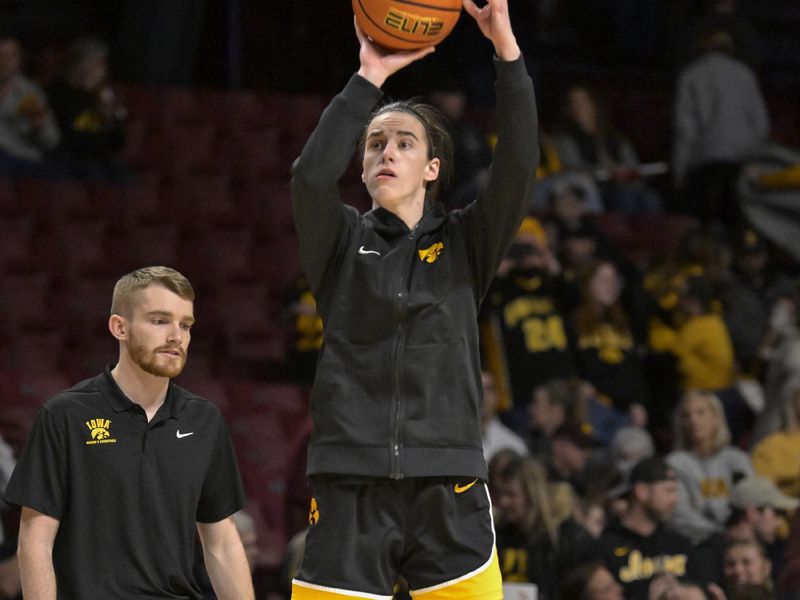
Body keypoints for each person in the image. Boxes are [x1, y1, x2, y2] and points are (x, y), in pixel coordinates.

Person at [289, 1, 538, 598]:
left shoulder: (466, 242)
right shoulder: (341, 242)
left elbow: (520, 163)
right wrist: (368, 77)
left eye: (403, 143)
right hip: (350, 481)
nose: (385, 153)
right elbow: (308, 178)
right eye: (374, 144)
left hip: (448, 481)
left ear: (432, 168)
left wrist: (505, 46)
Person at [3, 266, 254, 599]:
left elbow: (222, 543)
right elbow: (35, 541)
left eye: (186, 324)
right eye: (160, 321)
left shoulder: (204, 420)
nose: (176, 336)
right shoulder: (64, 415)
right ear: (119, 327)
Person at [671, 29, 770, 224]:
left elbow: (685, 128)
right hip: (742, 157)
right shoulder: (744, 73)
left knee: (697, 220)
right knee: (737, 220)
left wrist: (679, 170)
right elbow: (760, 123)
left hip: (705, 158)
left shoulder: (691, 75)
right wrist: (757, 159)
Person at [596, 457, 707, 599]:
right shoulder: (606, 547)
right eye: (668, 491)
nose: (675, 499)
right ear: (642, 492)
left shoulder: (679, 543)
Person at [666, 390, 753, 546]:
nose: (693, 420)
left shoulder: (737, 459)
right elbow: (679, 514)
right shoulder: (675, 463)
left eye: (700, 413)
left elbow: (751, 500)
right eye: (686, 415)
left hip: (740, 538)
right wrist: (718, 533)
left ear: (716, 418)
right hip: (696, 543)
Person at [45, 36, 130, 183]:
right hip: (68, 157)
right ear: (78, 63)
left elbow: (118, 143)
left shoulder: (101, 94)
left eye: (101, 64)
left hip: (99, 159)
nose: (99, 69)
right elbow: (67, 134)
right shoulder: (58, 91)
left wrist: (109, 121)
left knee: (126, 179)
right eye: (94, 63)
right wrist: (85, 94)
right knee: (96, 177)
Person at [0, 32, 61, 178]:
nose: (4, 62)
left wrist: (39, 127)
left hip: (26, 158)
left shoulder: (29, 91)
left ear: (18, 59)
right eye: (0, 56)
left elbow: (51, 141)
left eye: (10, 56)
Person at [481, 370, 529, 462]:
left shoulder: (513, 445)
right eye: (477, 389)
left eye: (488, 389)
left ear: (496, 397)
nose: (482, 396)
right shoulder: (454, 443)